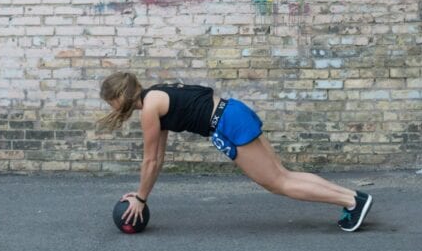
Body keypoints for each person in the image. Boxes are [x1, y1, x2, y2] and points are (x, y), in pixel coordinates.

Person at [98, 72, 373, 232]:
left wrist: (141, 199)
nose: (111, 108)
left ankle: (351, 202)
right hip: (233, 112)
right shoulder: (156, 94)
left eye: (110, 102)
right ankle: (352, 198)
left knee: (278, 183)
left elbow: (150, 159)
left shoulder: (149, 109)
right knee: (283, 175)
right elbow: (157, 157)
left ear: (119, 97)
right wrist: (140, 195)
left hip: (227, 123)